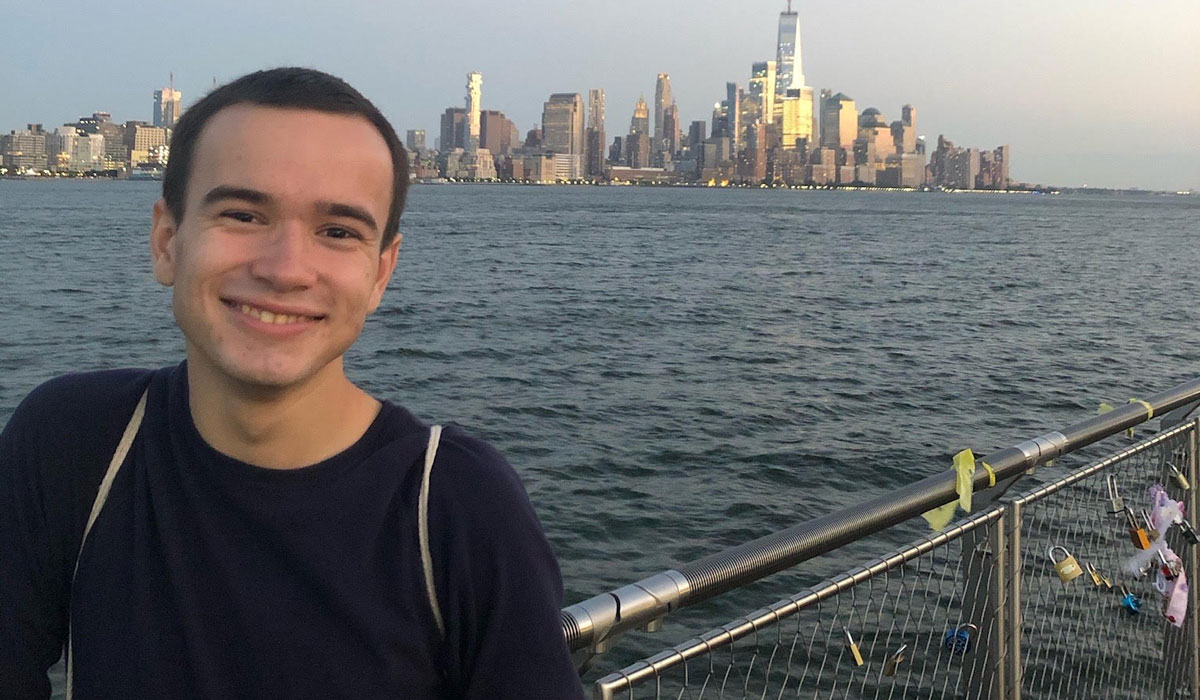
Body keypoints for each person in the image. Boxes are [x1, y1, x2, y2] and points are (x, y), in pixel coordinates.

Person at [0, 67, 585, 699]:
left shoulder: (455, 504)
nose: (286, 270)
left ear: (381, 273)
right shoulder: (73, 442)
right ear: (167, 241)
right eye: (244, 215)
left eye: (338, 232)